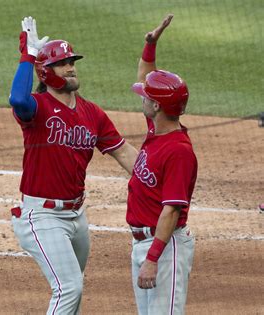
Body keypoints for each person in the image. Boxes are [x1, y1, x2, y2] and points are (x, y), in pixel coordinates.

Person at [9, 16, 138, 314]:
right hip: (42, 216)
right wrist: (27, 55)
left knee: (73, 289)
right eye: (62, 63)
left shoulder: (92, 112)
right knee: (68, 287)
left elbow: (123, 153)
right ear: (46, 71)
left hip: (77, 216)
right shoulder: (37, 108)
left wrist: (156, 178)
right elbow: (17, 98)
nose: (71, 67)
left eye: (72, 61)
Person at [127, 14, 198, 315]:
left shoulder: (178, 152)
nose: (141, 96)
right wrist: (150, 45)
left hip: (164, 248)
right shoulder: (158, 128)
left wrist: (154, 258)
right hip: (145, 244)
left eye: (147, 96)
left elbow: (172, 209)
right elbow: (147, 78)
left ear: (157, 106)